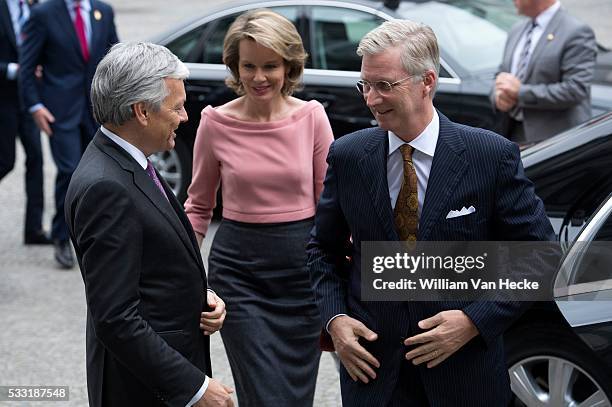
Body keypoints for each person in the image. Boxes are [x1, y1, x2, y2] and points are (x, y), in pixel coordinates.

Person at [307, 20, 555, 406]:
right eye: (366, 85)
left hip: (464, 377)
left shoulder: (489, 155)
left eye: (385, 85)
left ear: (427, 81)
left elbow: (540, 257)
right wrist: (335, 321)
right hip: (374, 377)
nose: (371, 99)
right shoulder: (348, 155)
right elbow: (322, 251)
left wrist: (474, 321)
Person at [65, 42, 234, 407]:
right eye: (176, 107)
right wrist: (194, 388)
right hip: (141, 390)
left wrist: (195, 297)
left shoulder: (127, 159)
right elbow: (116, 318)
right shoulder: (106, 187)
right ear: (142, 111)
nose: (184, 117)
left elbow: (146, 266)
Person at [184, 9, 334, 407]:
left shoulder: (312, 118)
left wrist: (343, 275)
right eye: (248, 66)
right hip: (240, 278)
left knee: (295, 396)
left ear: (289, 66)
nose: (258, 77)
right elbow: (198, 205)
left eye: (270, 66)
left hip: (302, 278)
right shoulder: (215, 123)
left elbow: (328, 205)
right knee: (264, 395)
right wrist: (174, 264)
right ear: (234, 66)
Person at [19, 0, 118, 268]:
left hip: (97, 110)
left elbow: (115, 59)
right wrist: (35, 106)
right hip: (59, 111)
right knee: (70, 171)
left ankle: (93, 237)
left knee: (101, 174)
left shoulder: (103, 11)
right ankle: (62, 237)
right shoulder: (44, 13)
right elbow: (26, 66)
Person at [492, 0, 596, 144]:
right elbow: (501, 75)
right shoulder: (517, 29)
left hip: (555, 143)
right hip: (512, 134)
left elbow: (576, 89)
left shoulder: (576, 31)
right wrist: (498, 96)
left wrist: (521, 93)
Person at [0, 0, 50, 245]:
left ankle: (34, 230)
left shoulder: (35, 8)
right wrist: (14, 70)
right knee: (5, 161)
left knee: (36, 161)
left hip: (29, 101)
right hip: (3, 100)